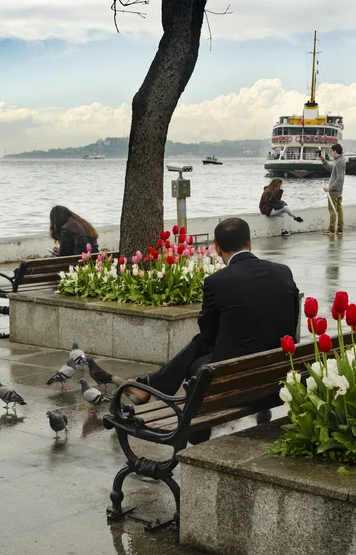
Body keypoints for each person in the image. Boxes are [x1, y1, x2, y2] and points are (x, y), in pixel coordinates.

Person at [113, 217, 300, 405]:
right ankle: (148, 384)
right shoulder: (283, 271)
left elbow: (208, 333)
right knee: (203, 344)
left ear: (217, 248)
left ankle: (151, 388)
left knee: (199, 359)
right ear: (250, 243)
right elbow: (292, 321)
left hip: (232, 376)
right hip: (280, 369)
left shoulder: (217, 282)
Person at [320, 143, 345, 236]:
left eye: (331, 151)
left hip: (334, 191)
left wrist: (330, 188)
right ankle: (340, 229)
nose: (330, 153)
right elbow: (331, 169)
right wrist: (323, 160)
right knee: (339, 209)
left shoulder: (339, 162)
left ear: (335, 151)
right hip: (338, 191)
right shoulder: (339, 160)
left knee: (332, 210)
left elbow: (340, 178)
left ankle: (331, 229)